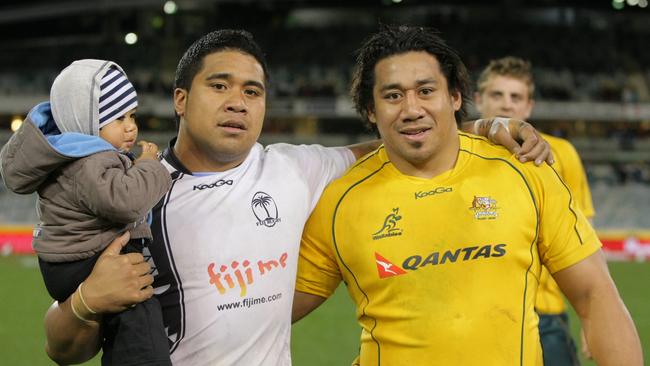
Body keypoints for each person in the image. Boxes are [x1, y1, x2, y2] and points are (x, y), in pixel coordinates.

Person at [40, 30, 553, 365]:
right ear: (181, 99)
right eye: (219, 86)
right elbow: (62, 347)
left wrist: (484, 125)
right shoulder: (129, 194)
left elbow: (394, 140)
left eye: (253, 91)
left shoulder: (293, 169)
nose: (237, 102)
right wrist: (87, 301)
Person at [292, 25, 643, 366]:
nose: (412, 108)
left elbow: (595, 295)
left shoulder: (523, 171)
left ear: (455, 97)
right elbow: (269, 310)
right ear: (370, 109)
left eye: (426, 91)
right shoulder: (340, 202)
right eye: (393, 95)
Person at [0, 60, 172, 365]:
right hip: (83, 256)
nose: (131, 126)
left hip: (69, 258)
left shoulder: (77, 154)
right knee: (139, 306)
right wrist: (148, 165)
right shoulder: (91, 159)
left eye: (132, 115)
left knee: (126, 318)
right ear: (88, 123)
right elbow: (125, 201)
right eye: (118, 118)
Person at [474, 56, 596, 365]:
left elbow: (583, 241)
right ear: (478, 101)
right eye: (497, 95)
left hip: (545, 316)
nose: (506, 104)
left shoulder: (560, 153)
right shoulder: (457, 158)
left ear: (528, 106)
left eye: (516, 97)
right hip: (476, 316)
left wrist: (593, 316)